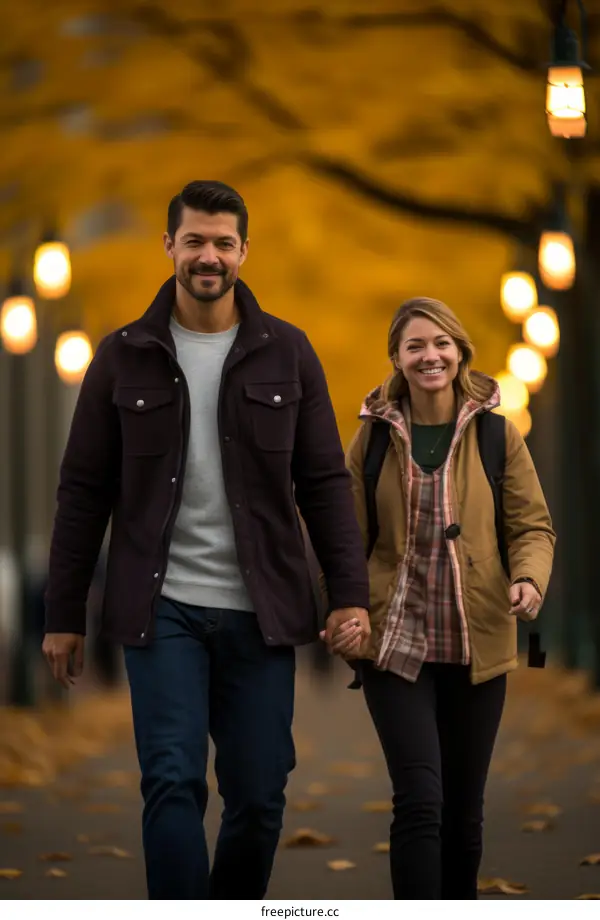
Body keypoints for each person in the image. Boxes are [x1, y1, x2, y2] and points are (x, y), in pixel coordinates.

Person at [42, 180, 370, 899]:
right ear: (169, 247)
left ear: (244, 251)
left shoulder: (290, 352)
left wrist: (350, 596)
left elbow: (323, 485)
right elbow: (82, 493)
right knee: (171, 778)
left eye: (223, 242)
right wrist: (64, 613)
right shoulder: (120, 355)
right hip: (161, 611)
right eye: (194, 240)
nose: (208, 256)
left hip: (264, 611)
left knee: (258, 795)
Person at [337, 296, 555, 900]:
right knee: (420, 799)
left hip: (476, 639)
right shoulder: (372, 438)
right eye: (415, 346)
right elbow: (343, 537)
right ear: (397, 359)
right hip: (394, 641)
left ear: (459, 353)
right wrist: (342, 607)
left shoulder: (495, 435)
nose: (429, 355)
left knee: (463, 810)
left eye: (440, 344)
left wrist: (529, 579)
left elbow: (532, 526)